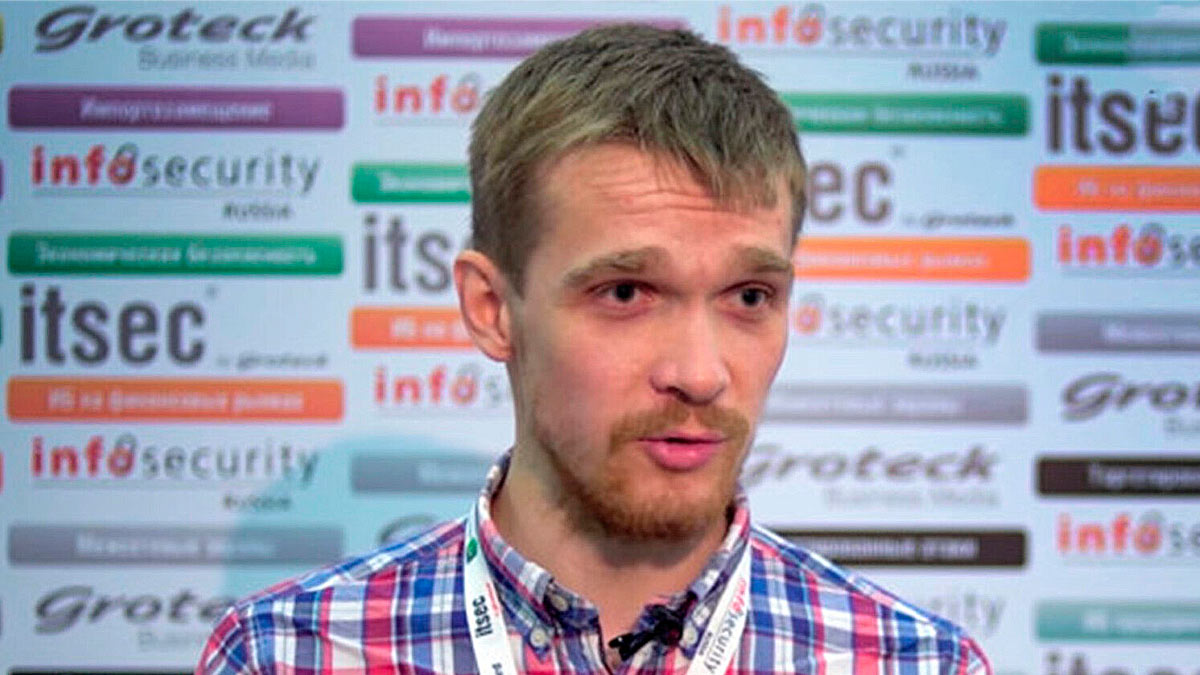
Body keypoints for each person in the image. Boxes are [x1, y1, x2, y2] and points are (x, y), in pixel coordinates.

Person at [198, 24, 991, 674]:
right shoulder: (288, 655)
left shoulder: (915, 663)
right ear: (491, 309)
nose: (700, 373)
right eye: (625, 293)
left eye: (749, 296)